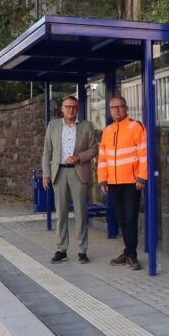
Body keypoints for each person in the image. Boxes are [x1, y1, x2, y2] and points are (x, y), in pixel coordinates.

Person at [42, 95, 98, 264]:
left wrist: (79, 157)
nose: (70, 109)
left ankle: (82, 251)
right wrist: (46, 174)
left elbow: (94, 149)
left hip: (78, 173)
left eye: (73, 107)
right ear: (62, 108)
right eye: (67, 106)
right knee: (61, 214)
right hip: (59, 173)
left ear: (78, 109)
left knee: (81, 213)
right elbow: (47, 152)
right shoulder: (52, 126)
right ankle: (61, 250)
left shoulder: (86, 126)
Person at [98, 96, 147, 271]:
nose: (117, 110)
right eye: (113, 108)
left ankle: (132, 255)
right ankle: (127, 252)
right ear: (110, 110)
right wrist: (102, 179)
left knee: (131, 218)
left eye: (120, 107)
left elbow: (144, 153)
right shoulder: (107, 130)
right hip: (113, 183)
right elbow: (102, 158)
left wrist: (142, 176)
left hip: (132, 183)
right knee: (121, 218)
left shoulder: (136, 127)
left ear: (126, 108)